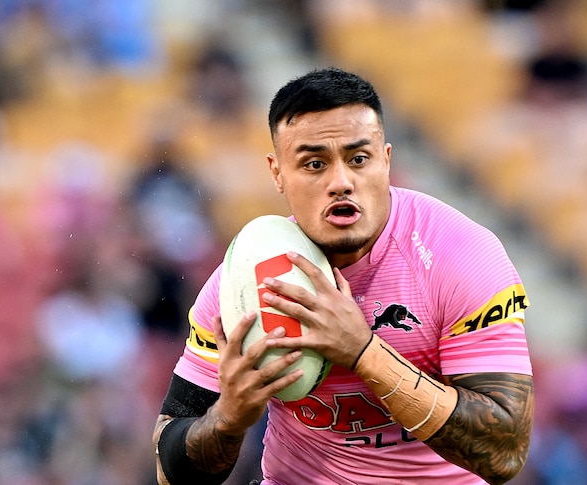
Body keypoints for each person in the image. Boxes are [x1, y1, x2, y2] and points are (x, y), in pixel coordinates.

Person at [152, 67, 535, 485]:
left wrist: (363, 351)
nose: (341, 182)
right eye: (314, 164)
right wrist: (227, 419)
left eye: (358, 159)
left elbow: (505, 451)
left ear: (386, 161)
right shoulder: (244, 281)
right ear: (277, 173)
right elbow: (169, 472)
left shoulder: (459, 255)